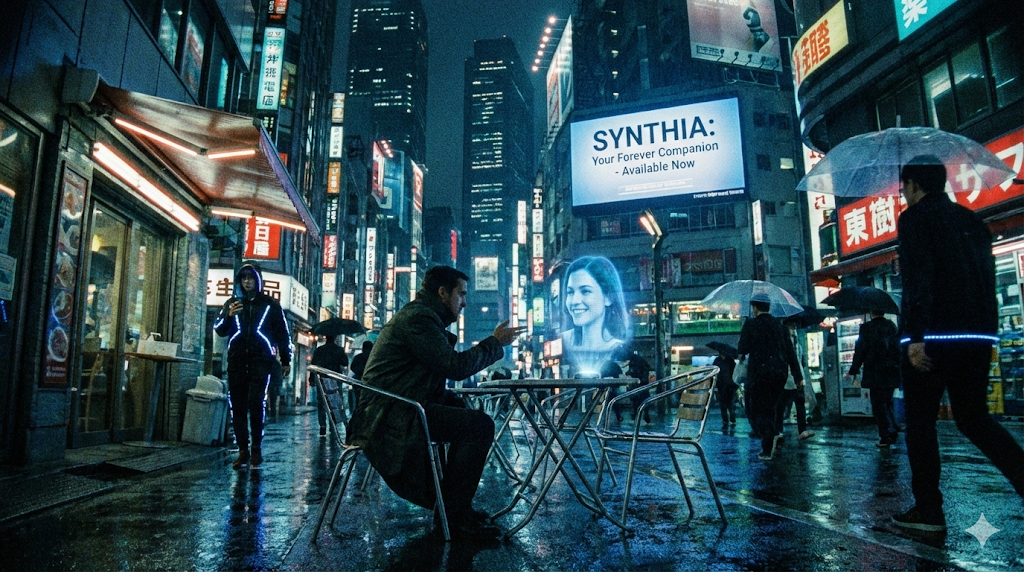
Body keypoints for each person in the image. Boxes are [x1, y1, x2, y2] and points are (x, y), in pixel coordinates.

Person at [891, 155, 1024, 532]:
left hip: (933, 337)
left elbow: (920, 279)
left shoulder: (914, 219)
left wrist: (915, 337)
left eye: (903, 188)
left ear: (914, 184)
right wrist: (987, 333)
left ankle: (929, 510)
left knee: (920, 423)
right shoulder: (972, 220)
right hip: (976, 336)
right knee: (974, 419)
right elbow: (986, 279)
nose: (903, 195)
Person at [346, 265, 525, 540]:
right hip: (387, 418)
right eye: (461, 294)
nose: (464, 302)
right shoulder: (419, 319)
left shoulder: (422, 316)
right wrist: (495, 343)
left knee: (462, 411)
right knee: (479, 426)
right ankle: (454, 516)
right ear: (442, 292)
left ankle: (454, 507)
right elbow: (454, 366)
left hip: (398, 408)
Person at [213, 264, 292, 469]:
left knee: (256, 404)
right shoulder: (232, 303)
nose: (247, 281)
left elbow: (282, 334)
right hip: (237, 362)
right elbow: (219, 329)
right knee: (237, 407)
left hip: (260, 362)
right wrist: (228, 316)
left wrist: (286, 360)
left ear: (258, 280)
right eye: (244, 278)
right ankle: (243, 450)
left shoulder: (270, 305)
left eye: (251, 278)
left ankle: (256, 447)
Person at [737, 292, 802, 461]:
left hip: (759, 374)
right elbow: (790, 353)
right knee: (770, 408)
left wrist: (746, 328)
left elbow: (742, 348)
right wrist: (798, 377)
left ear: (755, 308)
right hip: (779, 374)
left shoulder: (751, 324)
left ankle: (770, 438)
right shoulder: (780, 326)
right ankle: (771, 441)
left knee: (757, 411)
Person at [560, 256, 630, 376]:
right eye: (570, 292)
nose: (574, 301)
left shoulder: (617, 348)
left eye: (585, 291)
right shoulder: (562, 341)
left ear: (608, 297)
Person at [848, 309, 901, 447]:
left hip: (875, 372)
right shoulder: (891, 326)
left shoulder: (866, 328)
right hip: (891, 371)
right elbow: (897, 348)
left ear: (872, 312)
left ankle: (886, 435)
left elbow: (860, 350)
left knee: (878, 405)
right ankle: (892, 427)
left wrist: (854, 369)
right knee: (887, 402)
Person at [776, 325, 815, 440]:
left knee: (798, 404)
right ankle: (779, 430)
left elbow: (800, 360)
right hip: (786, 378)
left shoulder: (797, 343)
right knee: (781, 405)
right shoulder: (784, 343)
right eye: (792, 327)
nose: (794, 330)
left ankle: (801, 430)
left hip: (796, 377)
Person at [310, 334, 348, 437]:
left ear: (326, 337)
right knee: (335, 402)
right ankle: (333, 424)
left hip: (321, 379)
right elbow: (345, 362)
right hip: (335, 379)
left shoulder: (319, 350)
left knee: (321, 402)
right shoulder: (339, 350)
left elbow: (313, 365)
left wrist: (312, 379)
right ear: (335, 338)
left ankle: (322, 425)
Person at [625, 350, 653, 423]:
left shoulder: (633, 361)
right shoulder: (641, 360)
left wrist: (628, 373)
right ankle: (646, 414)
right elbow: (647, 368)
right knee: (645, 399)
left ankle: (636, 415)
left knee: (635, 399)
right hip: (644, 382)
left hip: (637, 383)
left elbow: (633, 371)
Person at [712, 350, 737, 429]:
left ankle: (728, 419)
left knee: (726, 404)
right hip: (725, 385)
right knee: (726, 404)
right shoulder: (730, 360)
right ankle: (728, 419)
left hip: (727, 385)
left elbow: (714, 371)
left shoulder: (718, 360)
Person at [348, 340, 373, 412]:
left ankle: (358, 412)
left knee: (358, 399)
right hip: (370, 381)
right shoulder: (372, 358)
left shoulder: (358, 357)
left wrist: (359, 372)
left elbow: (352, 367)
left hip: (358, 381)